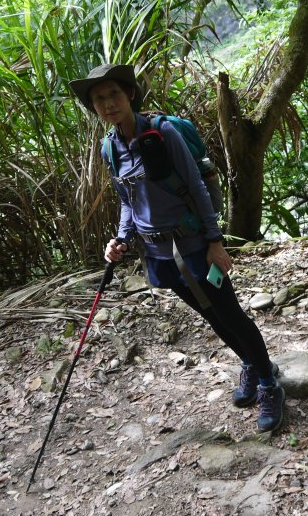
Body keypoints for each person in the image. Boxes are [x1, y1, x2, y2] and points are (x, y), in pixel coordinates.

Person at [69, 63, 284, 432]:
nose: (108, 104)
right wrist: (120, 238)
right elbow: (128, 201)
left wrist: (215, 243)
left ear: (130, 94)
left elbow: (197, 189)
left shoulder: (163, 132)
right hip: (159, 254)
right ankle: (251, 364)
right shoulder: (111, 147)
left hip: (195, 246)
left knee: (230, 313)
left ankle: (268, 384)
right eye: (99, 99)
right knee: (211, 316)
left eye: (114, 94)